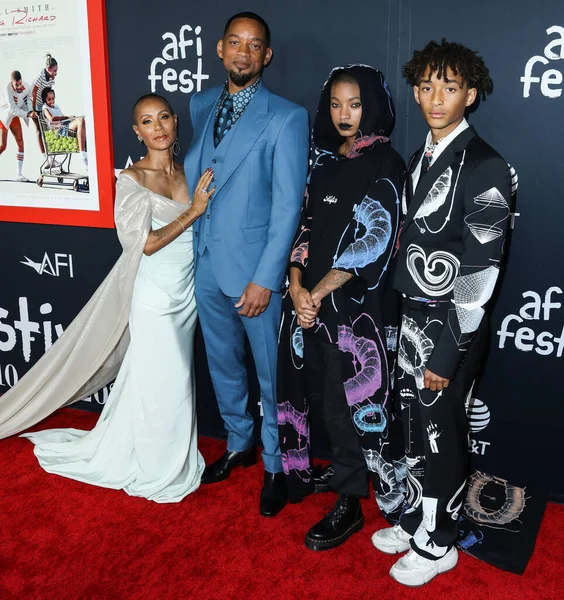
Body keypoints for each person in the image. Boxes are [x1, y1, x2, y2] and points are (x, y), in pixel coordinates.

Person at [0, 94, 214, 503]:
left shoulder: (191, 174)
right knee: (168, 383)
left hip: (186, 294)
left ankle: (162, 453)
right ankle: (161, 468)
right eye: (147, 121)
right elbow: (145, 244)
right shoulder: (131, 181)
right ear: (137, 131)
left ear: (175, 122)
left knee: (158, 381)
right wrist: (194, 212)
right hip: (153, 298)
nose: (158, 127)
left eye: (164, 117)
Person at [371, 39, 512, 586]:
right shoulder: (420, 157)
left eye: (449, 88)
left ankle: (439, 544)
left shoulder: (487, 167)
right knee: (413, 428)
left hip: (452, 326)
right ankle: (415, 519)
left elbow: (480, 275)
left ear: (470, 94)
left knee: (441, 435)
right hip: (412, 319)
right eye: (427, 86)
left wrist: (449, 353)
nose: (435, 98)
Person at [184, 12, 309, 517]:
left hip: (256, 274)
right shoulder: (197, 105)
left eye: (254, 46)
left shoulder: (286, 116)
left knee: (269, 374)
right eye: (235, 42)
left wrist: (266, 277)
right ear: (219, 49)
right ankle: (239, 444)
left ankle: (276, 465)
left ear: (266, 56)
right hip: (205, 262)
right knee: (221, 363)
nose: (243, 52)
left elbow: (287, 206)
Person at [277, 65, 407, 550]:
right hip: (307, 306)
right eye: (335, 104)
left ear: (371, 105)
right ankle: (329, 473)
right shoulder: (324, 161)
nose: (344, 114)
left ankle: (351, 504)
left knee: (343, 401)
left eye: (354, 104)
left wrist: (317, 292)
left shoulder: (388, 164)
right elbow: (304, 228)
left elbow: (375, 241)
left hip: (354, 312)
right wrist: (294, 285)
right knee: (312, 395)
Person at [0, 70, 37, 182]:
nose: (19, 86)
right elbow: (13, 109)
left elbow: (29, 97)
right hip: (5, 117)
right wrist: (28, 114)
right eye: (16, 84)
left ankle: (19, 175)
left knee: (20, 143)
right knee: (2, 146)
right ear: (12, 83)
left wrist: (32, 109)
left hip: (15, 116)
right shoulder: (7, 90)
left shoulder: (24, 85)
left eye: (20, 83)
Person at [42, 87, 88, 166]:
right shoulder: (45, 108)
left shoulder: (56, 106)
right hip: (59, 131)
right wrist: (67, 117)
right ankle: (82, 155)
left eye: (53, 98)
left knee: (83, 120)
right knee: (80, 121)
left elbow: (62, 117)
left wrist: (71, 119)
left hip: (65, 126)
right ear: (45, 100)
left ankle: (87, 153)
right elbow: (52, 119)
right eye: (49, 99)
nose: (52, 101)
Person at [31, 53, 58, 156]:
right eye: (54, 71)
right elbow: (34, 93)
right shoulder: (40, 77)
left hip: (42, 105)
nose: (56, 73)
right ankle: (45, 157)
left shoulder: (51, 78)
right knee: (39, 129)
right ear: (48, 68)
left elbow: (49, 92)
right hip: (34, 104)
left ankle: (50, 155)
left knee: (47, 129)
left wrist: (49, 106)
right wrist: (34, 110)